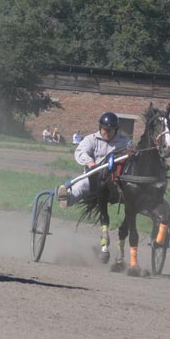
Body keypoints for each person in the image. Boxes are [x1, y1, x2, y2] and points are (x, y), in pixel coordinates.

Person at [56, 112, 131, 261]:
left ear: (116, 129)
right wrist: (90, 162)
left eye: (110, 131)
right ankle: (67, 198)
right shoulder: (91, 139)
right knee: (81, 186)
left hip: (115, 179)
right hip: (93, 176)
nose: (107, 133)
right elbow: (80, 152)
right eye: (104, 130)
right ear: (100, 127)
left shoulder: (124, 141)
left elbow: (132, 153)